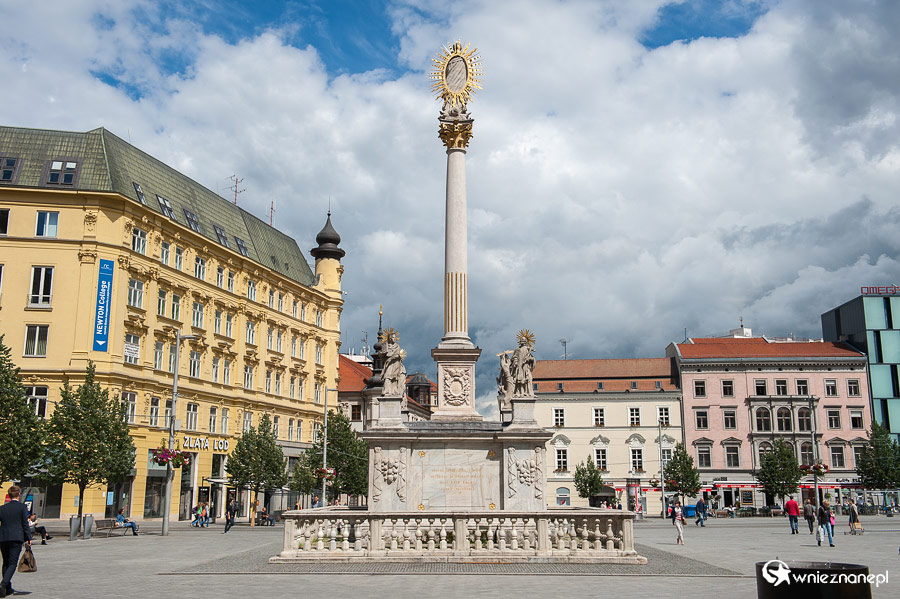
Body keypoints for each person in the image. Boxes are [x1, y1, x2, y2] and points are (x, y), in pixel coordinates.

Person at [0, 486, 32, 597]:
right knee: (13, 563)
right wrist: (28, 538)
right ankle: (3, 584)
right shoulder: (22, 507)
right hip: (16, 537)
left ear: (9, 495)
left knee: (6, 562)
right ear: (18, 494)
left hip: (3, 538)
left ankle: (7, 589)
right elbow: (25, 524)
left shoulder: (2, 508)